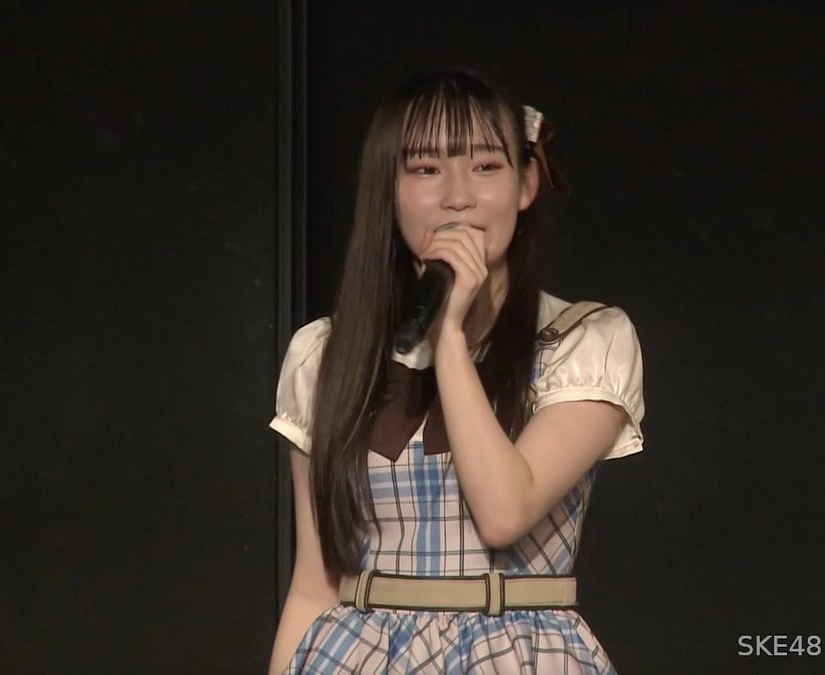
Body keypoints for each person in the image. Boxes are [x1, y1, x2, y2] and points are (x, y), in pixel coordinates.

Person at [266, 68, 645, 675]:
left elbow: (504, 513)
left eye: (486, 166)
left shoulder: (585, 339)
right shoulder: (326, 353)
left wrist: (448, 337)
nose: (457, 196)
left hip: (517, 654)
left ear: (526, 184)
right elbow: (314, 584)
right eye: (426, 169)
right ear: (388, 189)